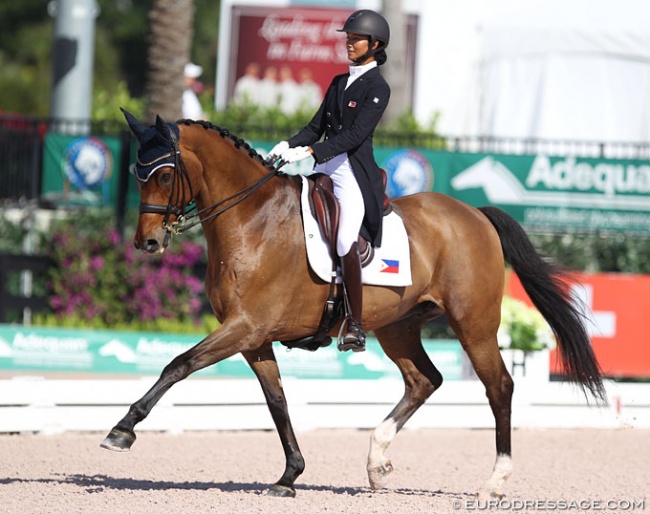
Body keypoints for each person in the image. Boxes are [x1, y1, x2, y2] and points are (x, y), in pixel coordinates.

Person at [267, 9, 391, 353]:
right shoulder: (339, 82)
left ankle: (355, 324)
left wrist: (310, 152)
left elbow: (355, 135)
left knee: (343, 241)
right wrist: (288, 144)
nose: (348, 43)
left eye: (355, 39)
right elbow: (315, 126)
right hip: (325, 165)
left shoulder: (378, 87)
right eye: (347, 38)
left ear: (375, 44)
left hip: (351, 170)